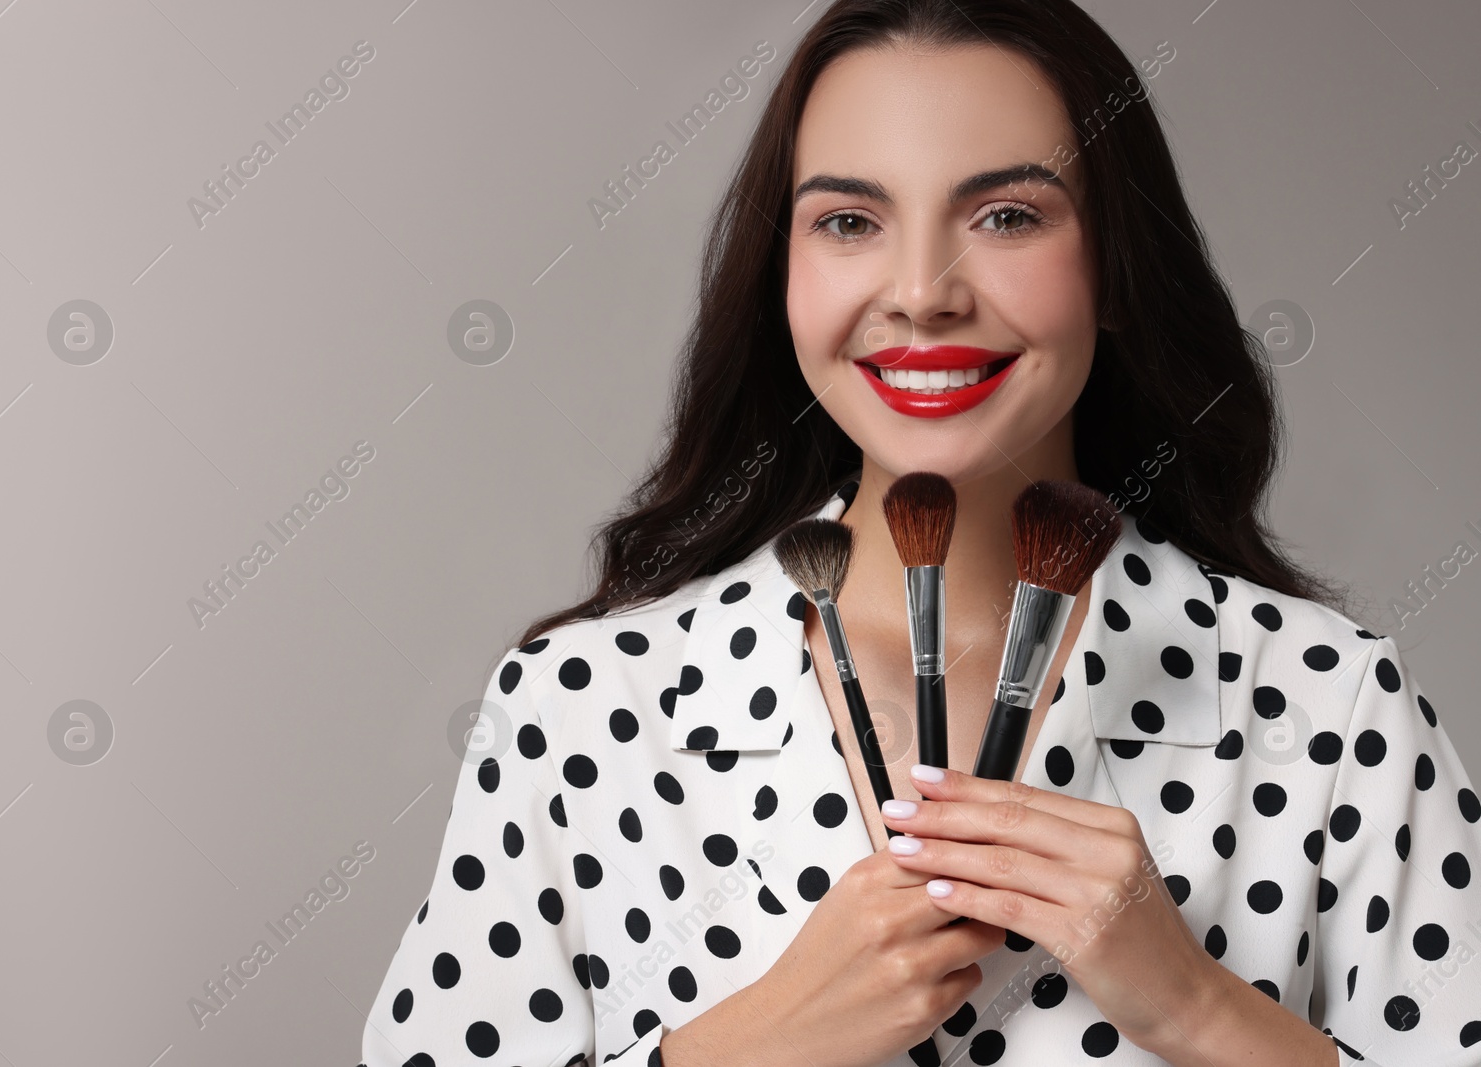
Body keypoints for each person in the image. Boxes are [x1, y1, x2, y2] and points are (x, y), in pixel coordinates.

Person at [357, 1, 1481, 1064]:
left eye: (1005, 215)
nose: (920, 291)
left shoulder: (1324, 702)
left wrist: (1196, 1006)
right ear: (782, 279)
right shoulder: (582, 709)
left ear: (1117, 272)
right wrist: (740, 1048)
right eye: (849, 221)